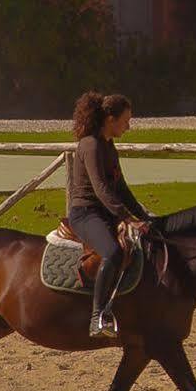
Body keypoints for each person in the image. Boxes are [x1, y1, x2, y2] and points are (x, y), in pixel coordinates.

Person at [67, 91, 149, 336]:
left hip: (104, 213)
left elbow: (121, 188)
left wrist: (143, 215)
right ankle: (97, 316)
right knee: (112, 253)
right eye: (126, 121)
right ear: (111, 119)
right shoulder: (90, 145)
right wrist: (127, 217)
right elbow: (101, 189)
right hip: (85, 213)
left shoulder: (109, 146)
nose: (128, 127)